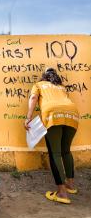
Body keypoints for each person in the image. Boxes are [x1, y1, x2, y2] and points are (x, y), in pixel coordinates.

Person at [24, 67, 79, 204]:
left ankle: (62, 193)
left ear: (44, 77)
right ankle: (70, 185)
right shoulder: (61, 87)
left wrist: (28, 117)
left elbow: (33, 97)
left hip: (53, 115)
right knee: (66, 151)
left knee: (55, 153)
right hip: (72, 114)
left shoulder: (39, 85)